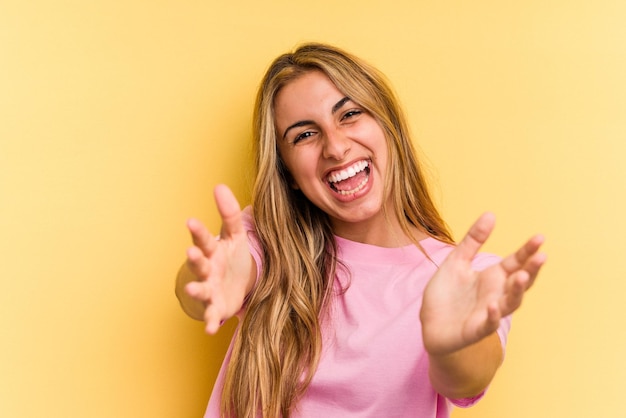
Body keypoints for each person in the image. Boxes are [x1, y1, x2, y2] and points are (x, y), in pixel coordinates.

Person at [175, 43, 546, 418]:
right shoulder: (269, 238)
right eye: (304, 135)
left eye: (350, 114)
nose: (335, 147)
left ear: (390, 128)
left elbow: (465, 380)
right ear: (288, 175)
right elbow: (202, 291)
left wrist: (455, 348)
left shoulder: (462, 278)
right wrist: (209, 283)